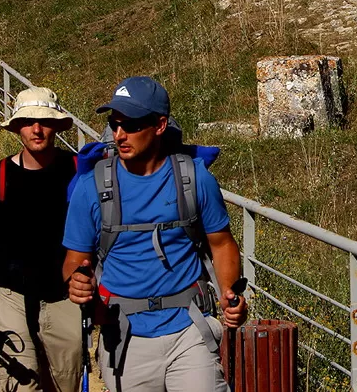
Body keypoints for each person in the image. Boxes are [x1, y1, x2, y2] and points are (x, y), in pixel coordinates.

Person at [63, 76, 247, 392]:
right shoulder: (90, 188)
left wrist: (230, 296)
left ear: (160, 126)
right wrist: (76, 284)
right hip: (123, 335)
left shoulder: (194, 178)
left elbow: (222, 244)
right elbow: (74, 261)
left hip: (189, 328)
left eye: (131, 125)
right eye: (114, 124)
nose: (119, 134)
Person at [0, 86, 83, 392]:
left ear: (56, 124)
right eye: (28, 121)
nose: (37, 129)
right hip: (12, 299)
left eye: (43, 121)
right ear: (17, 127)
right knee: (19, 386)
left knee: (65, 384)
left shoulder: (80, 172)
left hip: (66, 299)